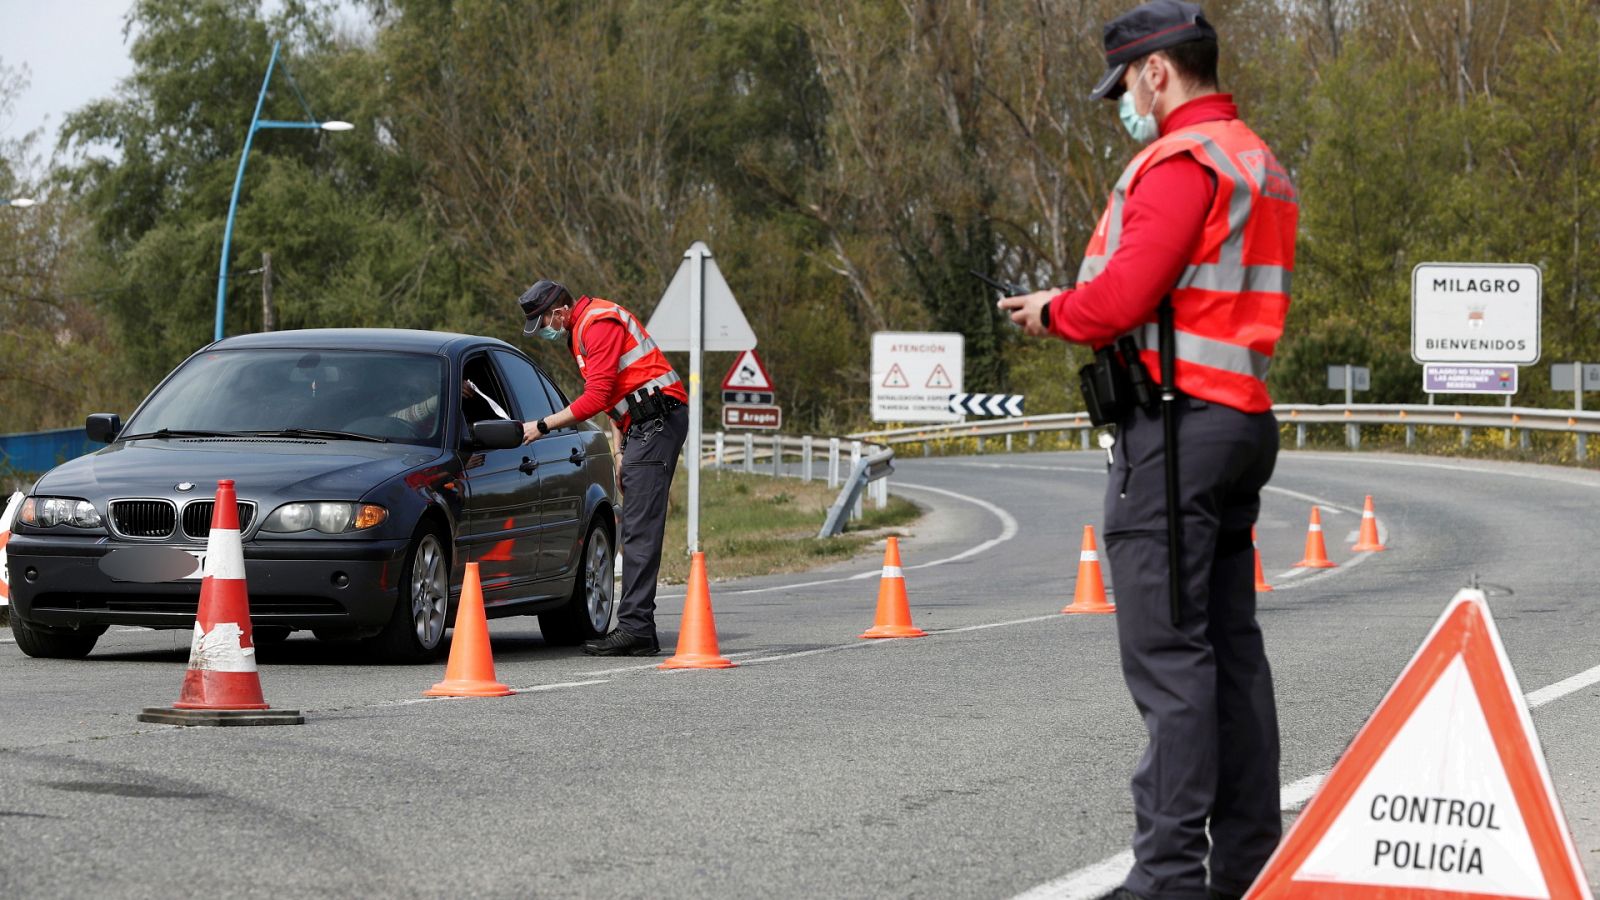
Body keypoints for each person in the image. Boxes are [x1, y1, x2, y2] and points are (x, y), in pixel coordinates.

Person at [998, 3, 1298, 898]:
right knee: (1229, 654)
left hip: (1173, 434)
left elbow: (1122, 297)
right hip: (1239, 418)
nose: (1125, 101)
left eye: (1125, 84)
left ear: (1157, 72)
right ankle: (1249, 867)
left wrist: (1054, 309)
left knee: (1170, 661)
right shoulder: (1256, 160)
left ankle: (1166, 879)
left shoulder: (1179, 161)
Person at [515, 279, 689, 656]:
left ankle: (636, 629)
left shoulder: (597, 324)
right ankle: (640, 628)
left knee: (640, 528)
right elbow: (614, 395)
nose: (544, 329)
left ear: (558, 311)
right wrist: (619, 449)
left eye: (543, 321)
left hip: (657, 420)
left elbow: (595, 396)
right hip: (642, 425)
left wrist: (543, 425)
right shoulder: (581, 328)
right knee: (637, 523)